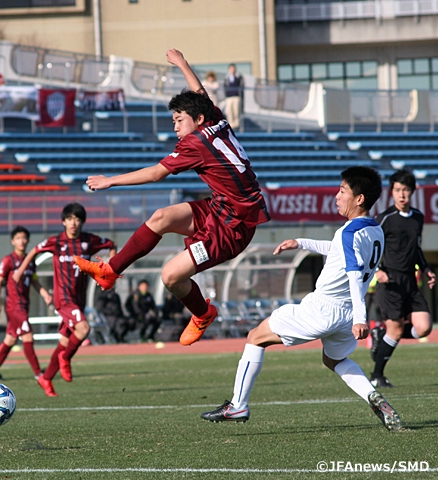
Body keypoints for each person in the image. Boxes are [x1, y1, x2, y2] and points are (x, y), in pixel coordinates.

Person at [75, 48, 270, 348]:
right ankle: (110, 271)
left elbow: (156, 173)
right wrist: (181, 63)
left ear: (197, 119)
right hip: (220, 209)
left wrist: (110, 180)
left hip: (234, 228)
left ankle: (203, 313)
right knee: (161, 218)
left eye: (179, 120)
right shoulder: (214, 120)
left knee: (170, 277)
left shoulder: (196, 143)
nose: (175, 126)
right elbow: (200, 93)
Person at [200, 167, 402, 431]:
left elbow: (353, 273)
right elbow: (338, 251)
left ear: (359, 198)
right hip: (346, 314)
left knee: (255, 337)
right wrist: (301, 242)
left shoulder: (348, 232)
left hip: (324, 309)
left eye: (342, 191)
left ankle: (238, 405)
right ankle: (373, 396)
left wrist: (362, 320)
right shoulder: (375, 230)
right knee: (334, 360)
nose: (337, 196)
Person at [13, 203, 116, 397]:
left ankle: (46, 378)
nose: (73, 223)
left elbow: (112, 245)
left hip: (79, 299)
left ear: (82, 222)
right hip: (63, 298)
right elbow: (35, 250)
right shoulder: (56, 242)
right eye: (69, 219)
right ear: (63, 221)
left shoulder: (89, 241)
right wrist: (20, 271)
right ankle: (66, 359)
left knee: (64, 340)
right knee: (84, 329)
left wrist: (109, 270)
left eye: (77, 219)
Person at [370, 169, 435, 388]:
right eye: (397, 190)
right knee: (396, 330)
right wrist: (378, 269)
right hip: (389, 281)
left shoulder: (417, 217)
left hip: (410, 279)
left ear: (412, 192)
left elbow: (415, 248)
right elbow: (372, 247)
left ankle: (381, 333)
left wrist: (426, 269)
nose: (402, 195)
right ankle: (377, 375)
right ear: (392, 193)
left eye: (405, 190)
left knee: (424, 327)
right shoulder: (385, 218)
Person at [0, 226, 52, 382]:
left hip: (24, 304)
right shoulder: (8, 260)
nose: (21, 241)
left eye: (24, 238)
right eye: (18, 238)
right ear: (12, 241)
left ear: (28, 240)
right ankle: (38, 373)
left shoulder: (29, 262)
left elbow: (34, 280)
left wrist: (44, 293)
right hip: (14, 306)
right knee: (27, 335)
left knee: (10, 339)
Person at [223, 63, 244, 129]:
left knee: (236, 110)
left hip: (236, 96)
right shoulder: (227, 77)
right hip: (229, 97)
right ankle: (231, 124)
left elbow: (241, 85)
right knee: (229, 111)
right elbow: (225, 86)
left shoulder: (238, 77)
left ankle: (237, 123)